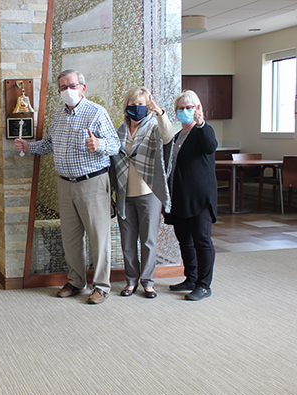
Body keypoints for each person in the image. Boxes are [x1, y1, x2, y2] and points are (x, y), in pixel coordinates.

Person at [16, 69, 120, 304]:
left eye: (72, 86)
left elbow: (115, 145)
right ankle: (76, 281)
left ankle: (102, 286)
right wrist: (27, 147)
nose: (67, 91)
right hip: (65, 183)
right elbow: (50, 144)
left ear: (83, 88)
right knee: (71, 238)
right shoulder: (58, 114)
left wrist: (99, 143)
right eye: (63, 87)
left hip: (92, 183)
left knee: (98, 237)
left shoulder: (96, 112)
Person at [110, 87, 174, 299]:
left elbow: (168, 137)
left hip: (148, 193)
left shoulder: (153, 127)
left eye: (141, 105)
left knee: (148, 241)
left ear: (147, 107)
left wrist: (160, 112)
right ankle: (130, 281)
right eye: (133, 104)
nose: (136, 108)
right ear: (127, 106)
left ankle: (147, 281)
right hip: (124, 194)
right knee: (127, 241)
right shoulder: (119, 131)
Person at [165, 90, 217, 301]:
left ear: (198, 109)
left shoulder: (204, 131)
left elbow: (210, 146)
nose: (185, 111)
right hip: (179, 197)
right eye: (181, 108)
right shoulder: (178, 136)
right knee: (184, 241)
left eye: (189, 107)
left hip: (199, 198)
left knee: (202, 241)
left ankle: (204, 285)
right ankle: (191, 278)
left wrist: (202, 123)